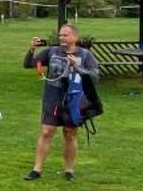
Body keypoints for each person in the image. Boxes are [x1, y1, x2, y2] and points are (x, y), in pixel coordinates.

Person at [22, 24, 99, 180]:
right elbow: (28, 64)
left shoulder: (85, 55)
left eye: (65, 35)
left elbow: (95, 76)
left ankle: (69, 171)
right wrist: (31, 50)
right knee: (46, 132)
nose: (61, 38)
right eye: (60, 35)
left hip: (74, 100)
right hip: (52, 98)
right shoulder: (52, 52)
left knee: (70, 134)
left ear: (75, 38)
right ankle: (36, 170)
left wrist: (78, 66)